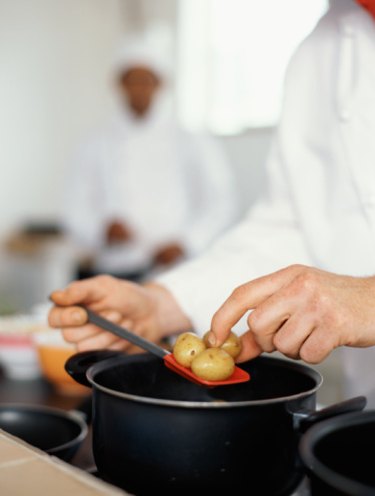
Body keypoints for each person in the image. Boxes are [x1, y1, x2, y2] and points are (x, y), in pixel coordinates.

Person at [50, 0, 375, 403]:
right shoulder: (320, 50)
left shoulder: (187, 137)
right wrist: (161, 304)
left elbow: (219, 199)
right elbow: (292, 226)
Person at [63, 37, 238, 280]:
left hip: (176, 272)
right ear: (119, 84)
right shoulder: (94, 143)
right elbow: (75, 207)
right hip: (115, 269)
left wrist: (186, 242)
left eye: (145, 80)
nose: (138, 89)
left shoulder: (192, 140)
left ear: (160, 84)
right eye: (131, 80)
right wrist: (101, 229)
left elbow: (221, 202)